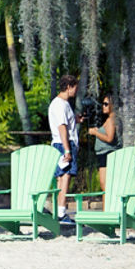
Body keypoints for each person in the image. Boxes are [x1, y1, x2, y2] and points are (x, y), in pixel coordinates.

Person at [48, 74, 79, 224]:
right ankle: (61, 213)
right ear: (68, 87)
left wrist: (76, 120)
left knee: (61, 177)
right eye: (75, 88)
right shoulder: (60, 104)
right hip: (64, 144)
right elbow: (62, 127)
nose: (76, 91)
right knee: (65, 176)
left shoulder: (62, 104)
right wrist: (67, 149)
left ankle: (59, 211)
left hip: (61, 143)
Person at [86, 93, 120, 191]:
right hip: (103, 155)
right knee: (105, 186)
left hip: (107, 154)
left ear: (113, 105)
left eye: (106, 104)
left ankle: (107, 206)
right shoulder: (110, 119)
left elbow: (109, 138)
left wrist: (95, 132)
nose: (103, 106)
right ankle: (106, 207)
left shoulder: (111, 120)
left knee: (105, 186)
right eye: (103, 104)